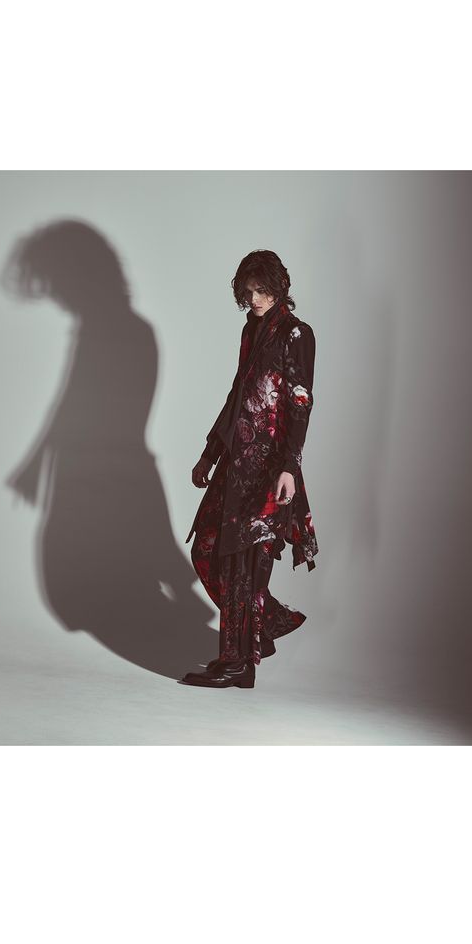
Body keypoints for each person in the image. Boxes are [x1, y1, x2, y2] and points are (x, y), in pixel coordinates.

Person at [179, 250, 318, 689]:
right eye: (249, 291)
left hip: (269, 467)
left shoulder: (297, 334)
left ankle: (238, 662)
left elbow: (300, 402)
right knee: (208, 550)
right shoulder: (250, 329)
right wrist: (209, 453)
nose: (255, 299)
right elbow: (238, 394)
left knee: (243, 563)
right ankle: (258, 631)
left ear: (279, 289)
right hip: (236, 460)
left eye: (262, 290)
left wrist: (290, 467)